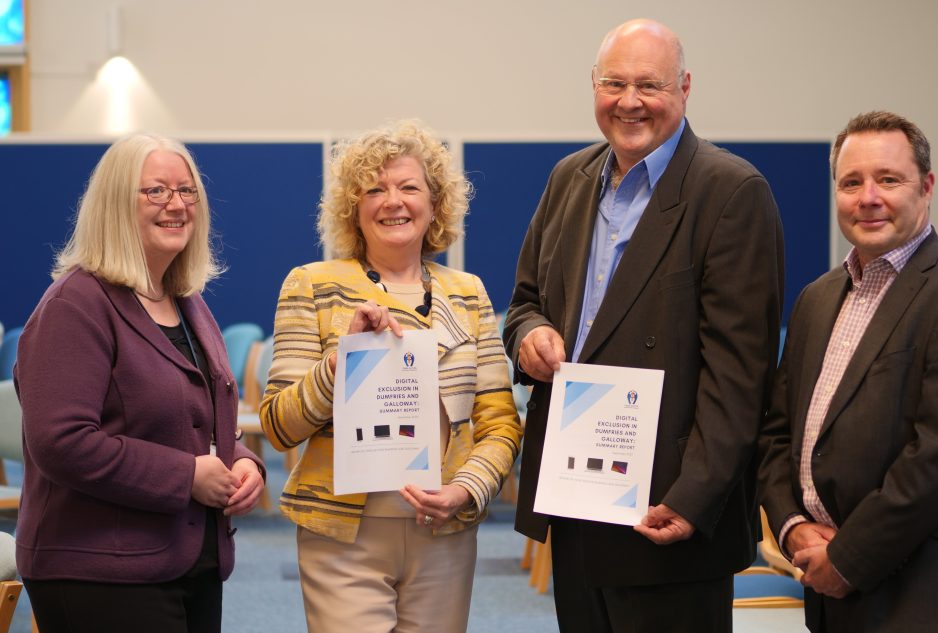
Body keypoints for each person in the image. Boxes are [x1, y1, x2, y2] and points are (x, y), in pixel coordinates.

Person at [503, 18, 784, 633]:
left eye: (649, 85)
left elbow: (740, 375)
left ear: (684, 88)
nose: (629, 101)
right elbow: (524, 301)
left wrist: (694, 498)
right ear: (594, 87)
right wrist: (527, 335)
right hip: (574, 493)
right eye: (614, 83)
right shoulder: (567, 180)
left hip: (666, 510)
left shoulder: (732, 192)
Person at [259, 120, 522, 633]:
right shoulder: (312, 285)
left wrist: (466, 490)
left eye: (408, 187)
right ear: (353, 208)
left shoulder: (468, 292)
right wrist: (339, 363)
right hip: (342, 537)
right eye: (374, 189)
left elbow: (500, 424)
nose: (392, 201)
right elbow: (277, 425)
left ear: (435, 202)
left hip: (444, 530)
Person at [758, 111, 938, 632]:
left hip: (917, 596)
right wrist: (792, 528)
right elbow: (776, 433)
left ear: (927, 187)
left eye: (888, 179)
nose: (867, 197)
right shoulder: (815, 299)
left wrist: (848, 559)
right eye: (851, 182)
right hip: (827, 594)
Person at [13, 133, 266, 633]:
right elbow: (60, 442)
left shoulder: (186, 301)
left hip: (188, 558)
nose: (176, 204)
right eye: (156, 191)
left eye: (186, 190)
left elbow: (204, 421)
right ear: (114, 204)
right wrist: (186, 476)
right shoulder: (75, 305)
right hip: (98, 570)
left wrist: (245, 463)